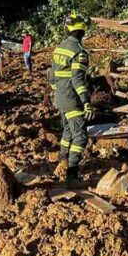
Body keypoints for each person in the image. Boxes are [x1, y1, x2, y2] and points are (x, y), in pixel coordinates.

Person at [49, 13, 94, 186]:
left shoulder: (60, 48)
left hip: (60, 96)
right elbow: (78, 80)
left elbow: (52, 75)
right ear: (83, 31)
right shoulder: (79, 52)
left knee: (67, 130)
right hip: (71, 98)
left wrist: (56, 93)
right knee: (81, 136)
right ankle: (72, 173)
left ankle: (62, 159)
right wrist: (86, 102)